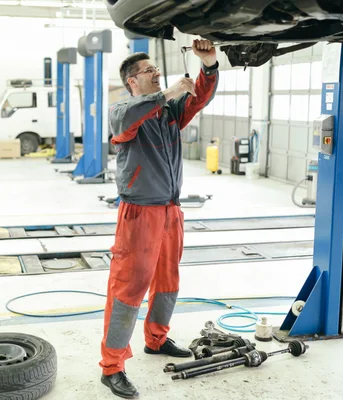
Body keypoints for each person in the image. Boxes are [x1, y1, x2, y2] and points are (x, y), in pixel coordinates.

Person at [99, 39, 219, 399]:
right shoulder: (122, 109)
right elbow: (127, 121)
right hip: (139, 213)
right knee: (128, 289)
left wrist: (209, 66)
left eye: (155, 69)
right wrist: (165, 94)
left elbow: (197, 98)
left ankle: (156, 339)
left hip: (171, 209)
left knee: (168, 280)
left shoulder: (167, 112)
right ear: (132, 81)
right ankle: (112, 367)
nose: (155, 73)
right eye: (148, 71)